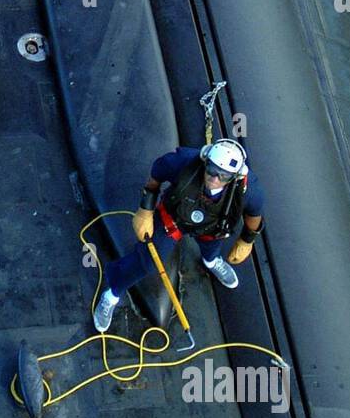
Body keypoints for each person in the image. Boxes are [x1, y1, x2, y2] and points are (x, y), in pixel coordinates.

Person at [92, 140, 265, 332]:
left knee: (212, 250)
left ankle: (211, 261)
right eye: (212, 171)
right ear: (205, 162)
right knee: (146, 262)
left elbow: (253, 216)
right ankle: (111, 294)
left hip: (213, 228)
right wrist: (146, 210)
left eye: (223, 176)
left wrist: (246, 241)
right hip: (173, 219)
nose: (215, 179)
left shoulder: (250, 190)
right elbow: (155, 178)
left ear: (234, 177)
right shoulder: (182, 162)